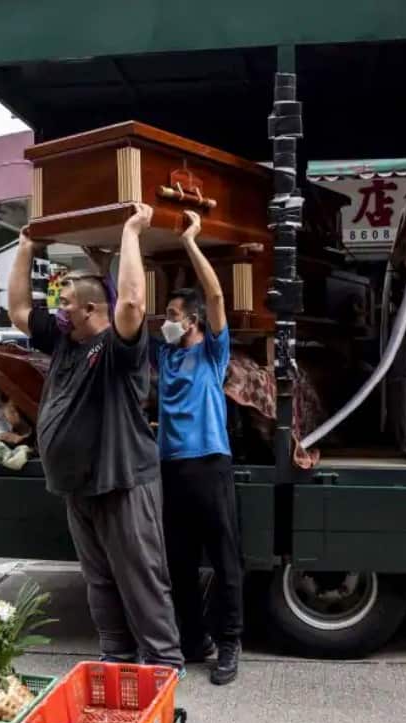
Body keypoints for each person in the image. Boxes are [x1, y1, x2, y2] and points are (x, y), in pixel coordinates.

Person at [8, 205, 183, 672]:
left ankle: (163, 663)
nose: (58, 310)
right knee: (100, 579)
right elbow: (19, 310)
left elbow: (130, 304)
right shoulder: (66, 341)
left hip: (123, 480)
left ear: (89, 310)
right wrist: (26, 247)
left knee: (140, 577)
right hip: (79, 485)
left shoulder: (117, 348)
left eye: (66, 304)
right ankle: (116, 655)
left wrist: (131, 233)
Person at [155, 210, 243, 685]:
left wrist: (192, 241)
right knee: (180, 564)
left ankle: (230, 644)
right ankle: (194, 640)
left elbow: (214, 295)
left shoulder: (212, 351)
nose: (164, 323)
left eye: (171, 317)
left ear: (191, 321)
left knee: (225, 559)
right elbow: (122, 304)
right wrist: (102, 259)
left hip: (210, 464)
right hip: (171, 468)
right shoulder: (165, 353)